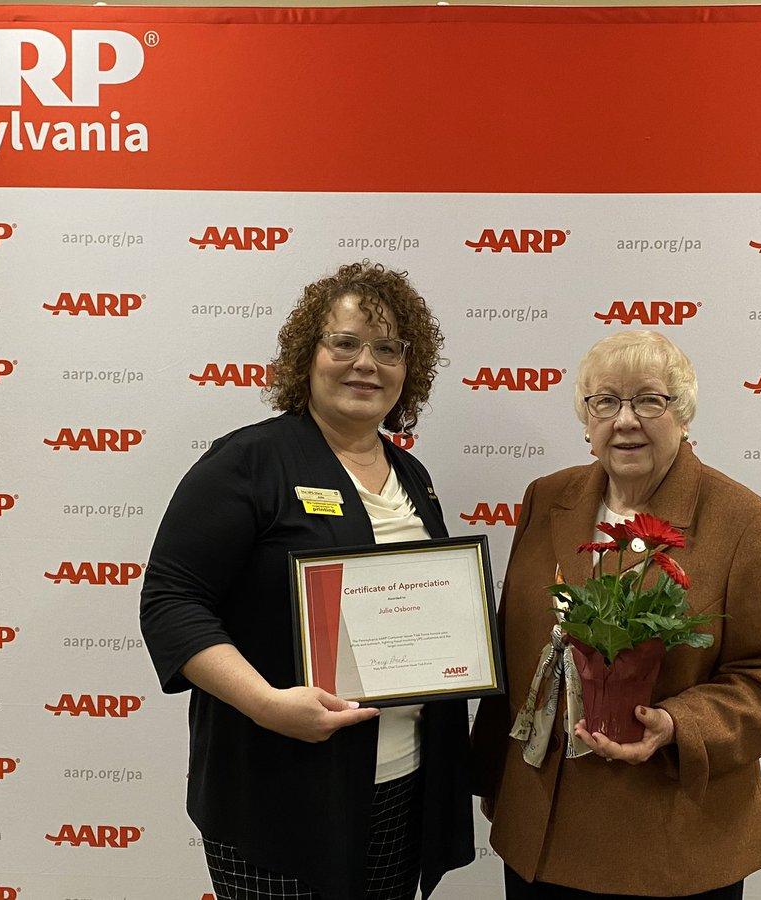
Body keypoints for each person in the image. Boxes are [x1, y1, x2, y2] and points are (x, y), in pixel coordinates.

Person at [140, 261, 474, 899]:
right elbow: (171, 602)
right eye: (344, 343)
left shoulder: (412, 476)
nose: (365, 364)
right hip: (277, 784)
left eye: (387, 349)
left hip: (402, 779)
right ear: (307, 356)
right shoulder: (247, 462)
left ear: (411, 368)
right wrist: (266, 703)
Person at [471, 330, 761, 899]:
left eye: (649, 400)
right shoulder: (545, 498)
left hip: (674, 848)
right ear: (586, 419)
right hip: (543, 836)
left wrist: (680, 724)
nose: (625, 420)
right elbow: (513, 645)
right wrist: (491, 778)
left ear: (683, 415)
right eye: (605, 401)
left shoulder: (748, 523)